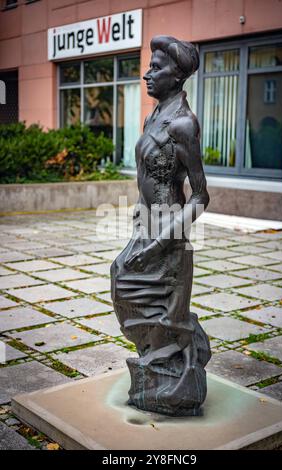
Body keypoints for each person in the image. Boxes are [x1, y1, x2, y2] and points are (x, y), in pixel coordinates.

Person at [111, 35, 211, 416]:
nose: (147, 75)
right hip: (147, 224)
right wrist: (139, 228)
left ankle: (177, 372)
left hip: (170, 235)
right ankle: (173, 357)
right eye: (149, 67)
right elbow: (145, 182)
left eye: (157, 69)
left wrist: (157, 244)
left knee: (155, 305)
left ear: (177, 76)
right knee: (122, 281)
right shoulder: (154, 115)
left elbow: (201, 195)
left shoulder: (184, 124)